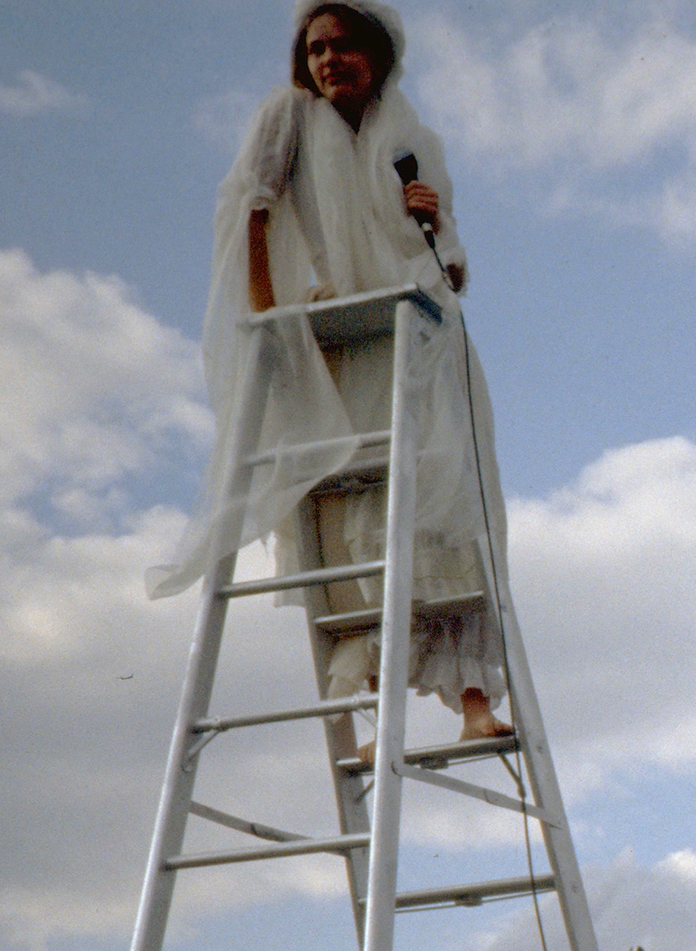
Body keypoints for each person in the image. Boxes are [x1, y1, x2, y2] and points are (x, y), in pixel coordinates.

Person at [148, 2, 511, 756]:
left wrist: (431, 220)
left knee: (444, 505)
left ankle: (474, 699)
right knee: (353, 521)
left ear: (377, 55)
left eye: (344, 47)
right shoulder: (289, 117)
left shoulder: (414, 137)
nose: (328, 61)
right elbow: (252, 208)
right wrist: (268, 319)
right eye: (316, 49)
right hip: (339, 334)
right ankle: (366, 704)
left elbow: (445, 261)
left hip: (413, 333)